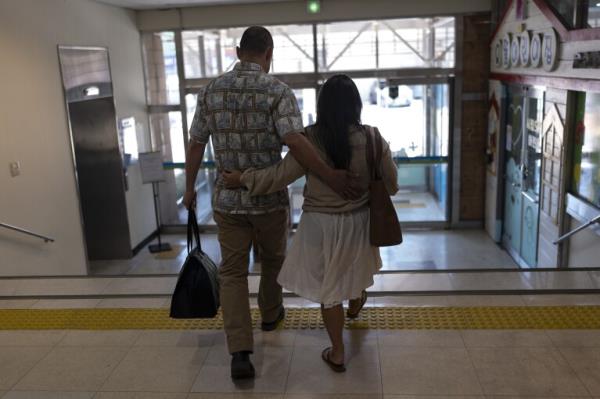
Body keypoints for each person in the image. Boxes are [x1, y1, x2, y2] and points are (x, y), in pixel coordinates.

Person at [183, 27, 360, 380]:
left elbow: (196, 143)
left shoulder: (210, 91)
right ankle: (270, 314)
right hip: (269, 202)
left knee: (232, 273)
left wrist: (189, 189)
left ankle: (240, 352)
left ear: (237, 52)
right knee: (273, 261)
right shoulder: (277, 91)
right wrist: (328, 173)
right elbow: (294, 140)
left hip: (228, 202)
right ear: (269, 53)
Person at [223, 74, 399, 372]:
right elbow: (391, 185)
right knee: (352, 272)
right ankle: (356, 302)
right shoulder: (372, 137)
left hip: (320, 226)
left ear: (322, 106)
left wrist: (242, 179)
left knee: (329, 289)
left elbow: (277, 177)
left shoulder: (310, 140)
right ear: (356, 105)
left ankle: (338, 353)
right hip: (358, 223)